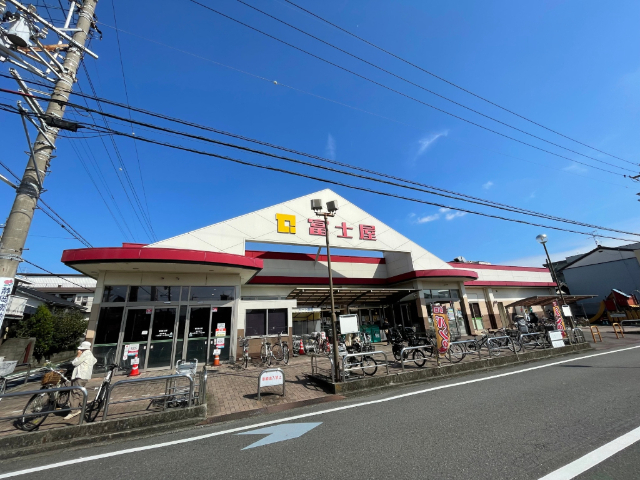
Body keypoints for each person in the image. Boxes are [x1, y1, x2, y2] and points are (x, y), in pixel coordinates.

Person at [64, 341, 97, 420]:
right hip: (85, 377)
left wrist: (78, 355)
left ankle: (74, 411)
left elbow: (74, 363)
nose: (79, 350)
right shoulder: (90, 354)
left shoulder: (84, 354)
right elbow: (95, 360)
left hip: (79, 376)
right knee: (80, 392)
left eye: (80, 349)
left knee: (74, 393)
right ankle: (82, 406)